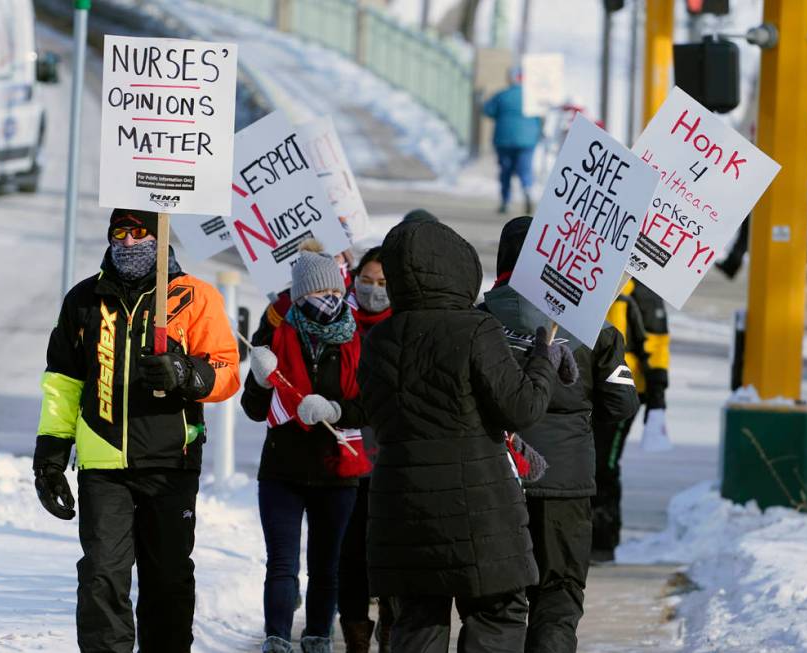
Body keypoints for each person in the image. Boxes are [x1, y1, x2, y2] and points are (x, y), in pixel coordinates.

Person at [358, 215, 575, 653]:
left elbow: (375, 423)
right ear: (458, 268)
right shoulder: (476, 329)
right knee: (496, 616)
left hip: (402, 509)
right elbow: (522, 407)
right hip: (480, 508)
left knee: (417, 623)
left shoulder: (379, 340)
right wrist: (542, 360)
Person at [32, 208, 241, 652]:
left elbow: (225, 372)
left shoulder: (192, 297)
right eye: (120, 233)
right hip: (102, 463)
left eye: (140, 232)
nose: (128, 242)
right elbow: (62, 384)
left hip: (169, 462)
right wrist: (50, 457)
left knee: (166, 576)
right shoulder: (84, 300)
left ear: (159, 237)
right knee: (102, 575)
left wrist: (185, 372)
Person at [481, 216, 639, 653]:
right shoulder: (594, 328)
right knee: (559, 592)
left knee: (497, 598)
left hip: (494, 477)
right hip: (565, 487)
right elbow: (622, 405)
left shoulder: (476, 321)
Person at [242, 240, 369, 653]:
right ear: (299, 295)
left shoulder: (356, 339)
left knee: (326, 565)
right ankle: (276, 636)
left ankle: (317, 635)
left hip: (338, 472)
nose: (329, 300)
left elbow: (368, 404)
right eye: (319, 292)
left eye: (334, 292)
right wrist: (262, 381)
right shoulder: (278, 334)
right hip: (283, 469)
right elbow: (254, 408)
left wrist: (335, 409)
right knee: (282, 562)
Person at [592, 278, 670, 562]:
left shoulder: (641, 291)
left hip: (623, 391)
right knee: (586, 461)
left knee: (604, 465)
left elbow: (657, 343)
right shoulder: (594, 273)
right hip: (584, 385)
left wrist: (658, 392)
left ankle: (603, 540)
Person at [339, 246, 393, 652]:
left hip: (391, 457)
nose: (373, 290)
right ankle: (356, 635)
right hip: (347, 457)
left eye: (383, 283)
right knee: (351, 553)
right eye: (367, 281)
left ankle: (393, 628)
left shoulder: (404, 325)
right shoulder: (338, 322)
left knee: (391, 553)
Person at [483, 67, 543, 214]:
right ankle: (527, 190)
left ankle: (506, 201)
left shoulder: (502, 95)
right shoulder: (532, 98)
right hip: (527, 140)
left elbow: (488, 111)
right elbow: (540, 117)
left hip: (504, 139)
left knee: (506, 170)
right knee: (525, 169)